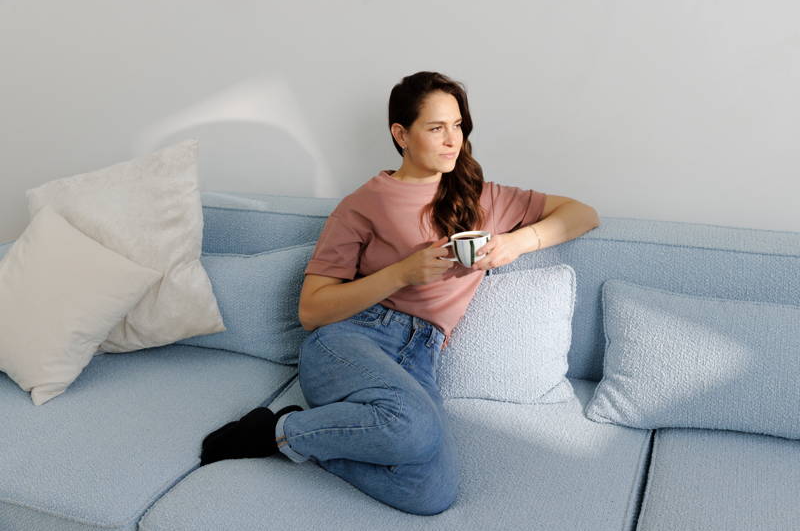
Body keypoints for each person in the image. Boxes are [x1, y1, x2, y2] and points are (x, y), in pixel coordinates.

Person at [199, 71, 600, 515]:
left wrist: (513, 243)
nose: (452, 140)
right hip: (350, 342)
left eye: (458, 126)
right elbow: (312, 310)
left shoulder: (482, 198)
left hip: (422, 355)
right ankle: (284, 431)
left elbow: (583, 213)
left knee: (431, 494)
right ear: (401, 134)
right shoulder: (363, 203)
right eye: (436, 128)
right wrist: (402, 273)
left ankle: (292, 433)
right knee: (414, 426)